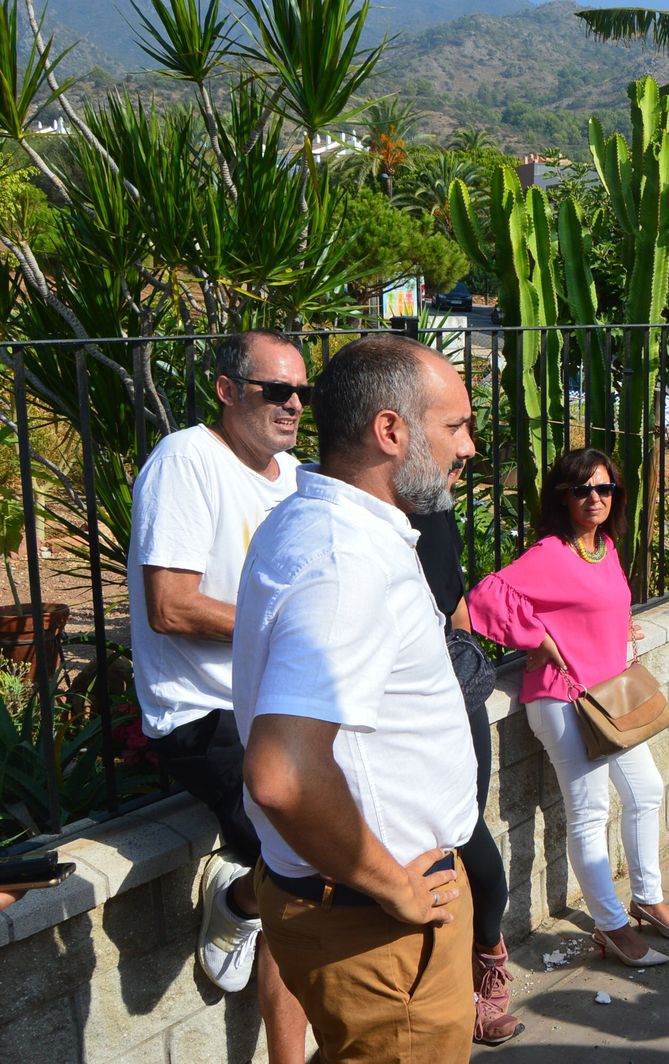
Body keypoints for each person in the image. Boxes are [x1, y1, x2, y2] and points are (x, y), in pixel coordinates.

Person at [234, 334, 480, 1062]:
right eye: (455, 426)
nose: (468, 447)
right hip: (379, 925)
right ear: (390, 430)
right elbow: (283, 775)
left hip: (354, 910)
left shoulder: (314, 523)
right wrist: (393, 887)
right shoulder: (346, 563)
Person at [126, 329, 309, 1062]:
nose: (294, 405)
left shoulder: (294, 476)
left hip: (279, 703)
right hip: (202, 713)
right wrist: (282, 626)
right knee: (303, 871)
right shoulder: (186, 461)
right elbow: (170, 606)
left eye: (303, 392)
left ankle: (241, 891)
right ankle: (236, 904)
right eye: (278, 390)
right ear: (228, 391)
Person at [470, 447, 669, 969]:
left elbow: (593, 604)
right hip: (561, 698)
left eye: (604, 488)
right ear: (563, 497)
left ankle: (647, 899)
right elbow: (484, 597)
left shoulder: (605, 547)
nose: (594, 498)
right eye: (582, 489)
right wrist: (538, 639)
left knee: (646, 790)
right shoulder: (551, 552)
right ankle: (611, 926)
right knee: (589, 811)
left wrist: (615, 625)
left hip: (607, 696)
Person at [409, 505, 523, 1045]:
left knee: (466, 835)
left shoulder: (434, 513)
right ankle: (461, 995)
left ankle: (489, 957)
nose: (462, 463)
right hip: (392, 718)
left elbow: (455, 606)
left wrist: (461, 661)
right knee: (434, 858)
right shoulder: (344, 519)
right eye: (452, 465)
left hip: (453, 695)